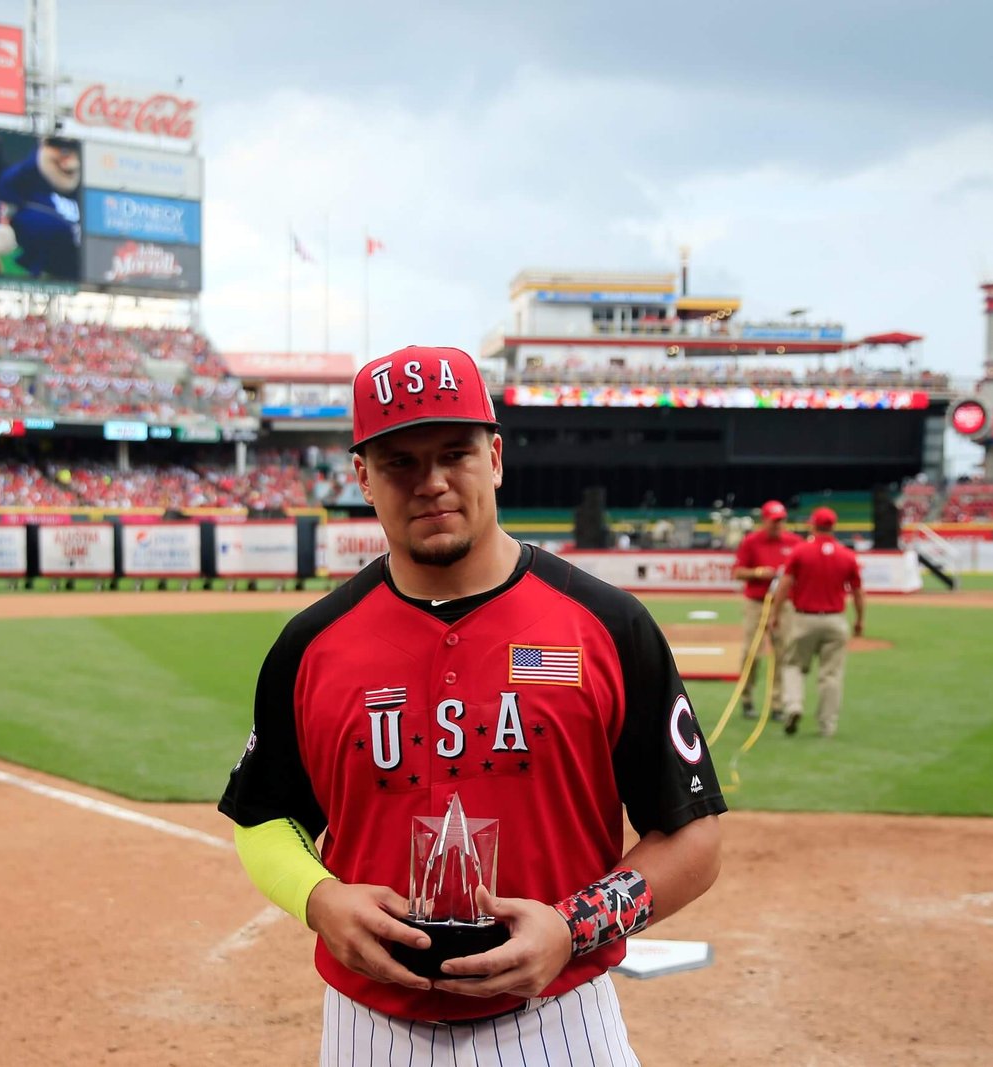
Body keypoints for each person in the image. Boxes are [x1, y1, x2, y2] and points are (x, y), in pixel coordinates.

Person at [220, 345, 725, 1065]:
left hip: (561, 1022)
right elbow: (266, 814)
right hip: (369, 1030)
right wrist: (318, 899)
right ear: (362, 476)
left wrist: (571, 926)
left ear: (494, 457)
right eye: (400, 461)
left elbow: (694, 839)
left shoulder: (608, 624)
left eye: (454, 452)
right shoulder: (311, 645)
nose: (431, 482)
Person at [770, 506, 865, 738]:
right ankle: (827, 725)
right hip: (835, 620)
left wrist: (775, 612)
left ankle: (793, 706)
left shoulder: (800, 551)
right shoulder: (847, 555)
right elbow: (858, 592)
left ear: (813, 525)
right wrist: (860, 620)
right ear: (834, 526)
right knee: (831, 675)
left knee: (792, 665)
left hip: (804, 618)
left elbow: (785, 584)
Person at [731, 500, 801, 721]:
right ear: (765, 520)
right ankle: (747, 698)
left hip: (784, 604)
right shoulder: (751, 542)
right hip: (756, 602)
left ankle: (778, 704)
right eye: (774, 521)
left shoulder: (794, 542)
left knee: (783, 653)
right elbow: (738, 572)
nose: (778, 525)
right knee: (752, 652)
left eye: (781, 520)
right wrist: (760, 573)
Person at [0, 136, 82, 280]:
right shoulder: (29, 175)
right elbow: (8, 187)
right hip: (44, 265)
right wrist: (4, 226)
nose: (65, 156)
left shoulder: (84, 185)